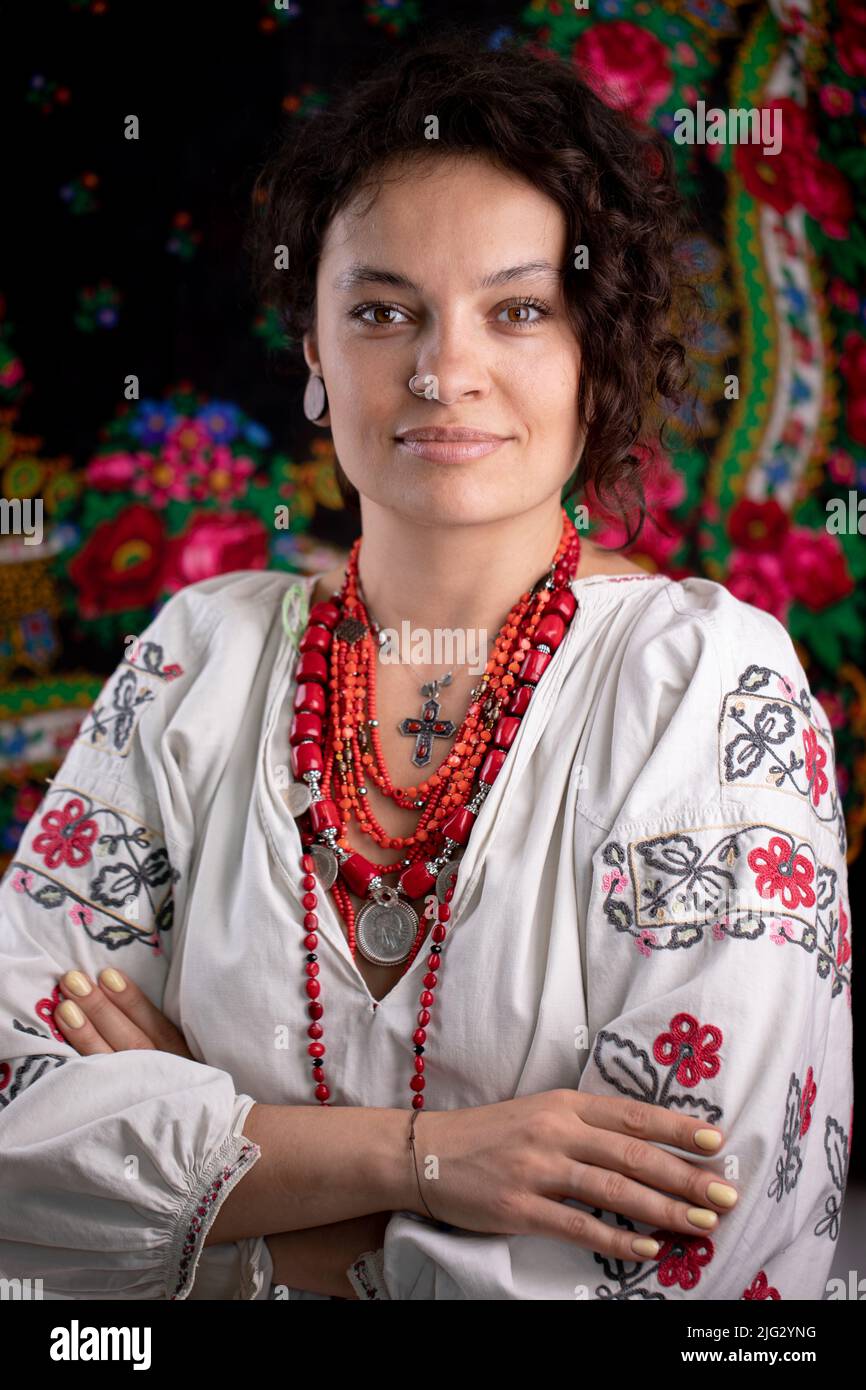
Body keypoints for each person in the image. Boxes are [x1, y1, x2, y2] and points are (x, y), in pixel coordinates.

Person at [0, 34, 853, 1301]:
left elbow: (689, 1247)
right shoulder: (198, 656)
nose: (441, 369)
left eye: (516, 309)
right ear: (311, 355)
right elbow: (17, 1138)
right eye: (382, 308)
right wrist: (436, 1159)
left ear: (592, 353)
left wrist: (209, 1170)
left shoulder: (705, 683)